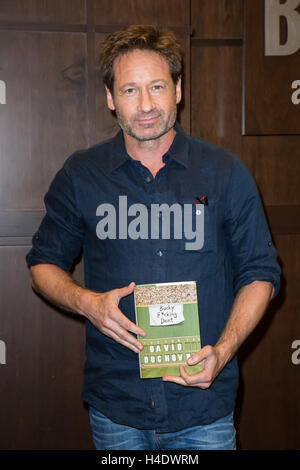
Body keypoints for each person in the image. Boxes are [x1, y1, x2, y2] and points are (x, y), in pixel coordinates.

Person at [26, 25, 281, 451]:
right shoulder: (81, 175)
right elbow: (42, 265)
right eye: (129, 90)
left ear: (178, 89)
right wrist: (86, 303)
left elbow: (260, 272)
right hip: (117, 409)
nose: (146, 105)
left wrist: (222, 351)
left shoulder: (225, 173)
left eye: (157, 86)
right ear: (110, 98)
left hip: (203, 407)